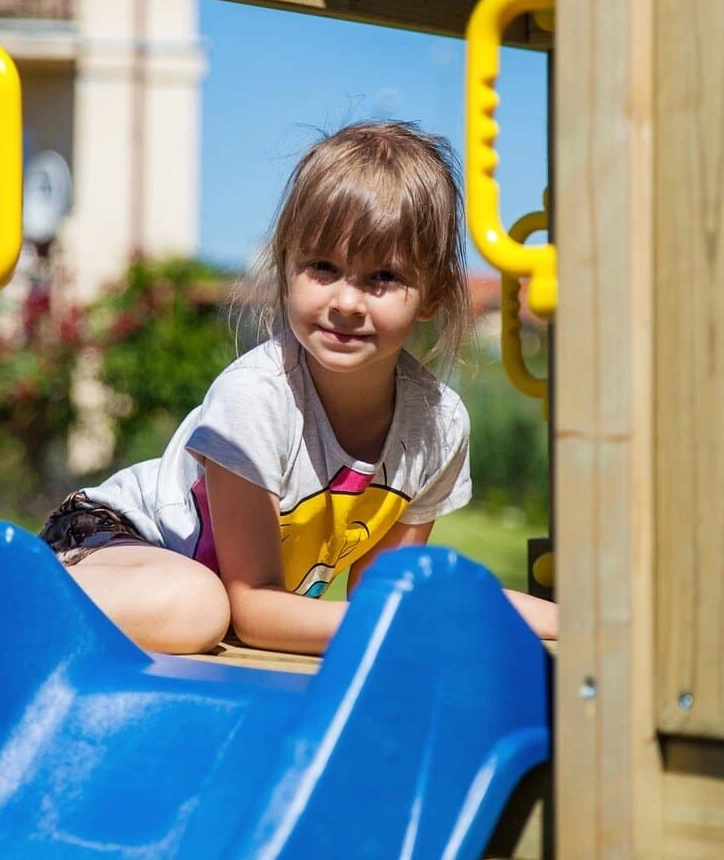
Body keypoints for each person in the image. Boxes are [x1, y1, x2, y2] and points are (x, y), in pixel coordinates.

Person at [40, 121, 559, 655]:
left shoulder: (436, 425)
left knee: (202, 608)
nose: (347, 302)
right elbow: (255, 608)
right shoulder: (257, 398)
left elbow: (385, 599)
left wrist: (571, 623)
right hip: (113, 543)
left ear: (431, 295)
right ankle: (10, 601)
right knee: (196, 608)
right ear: (288, 269)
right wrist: (403, 624)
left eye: (382, 277)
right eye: (323, 267)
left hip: (201, 597)